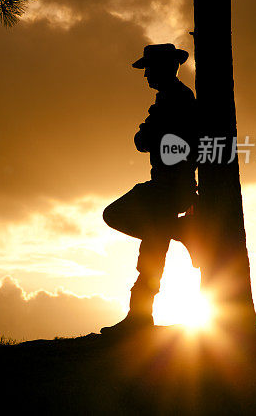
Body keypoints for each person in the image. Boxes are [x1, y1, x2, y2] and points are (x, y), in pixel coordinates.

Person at [101, 43, 199, 334]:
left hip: (171, 188)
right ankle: (181, 231)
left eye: (149, 69)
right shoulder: (172, 99)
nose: (145, 76)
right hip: (170, 188)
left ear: (165, 68)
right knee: (152, 247)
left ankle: (139, 317)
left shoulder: (175, 100)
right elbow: (146, 140)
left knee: (120, 219)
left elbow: (144, 141)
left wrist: (150, 133)